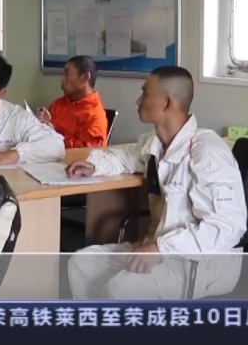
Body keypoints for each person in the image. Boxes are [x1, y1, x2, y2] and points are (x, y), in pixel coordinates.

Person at [66, 66, 246, 299]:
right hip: (160, 248)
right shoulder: (155, 142)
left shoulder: (207, 153)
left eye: (145, 93)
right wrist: (94, 166)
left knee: (120, 288)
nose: (138, 100)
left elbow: (227, 228)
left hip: (202, 263)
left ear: (167, 102)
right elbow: (128, 157)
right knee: (81, 263)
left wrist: (161, 248)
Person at [36, 56, 109, 148]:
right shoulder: (59, 104)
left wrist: (54, 134)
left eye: (67, 74)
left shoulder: (94, 116)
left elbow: (85, 152)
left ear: (85, 78)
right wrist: (43, 124)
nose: (62, 79)